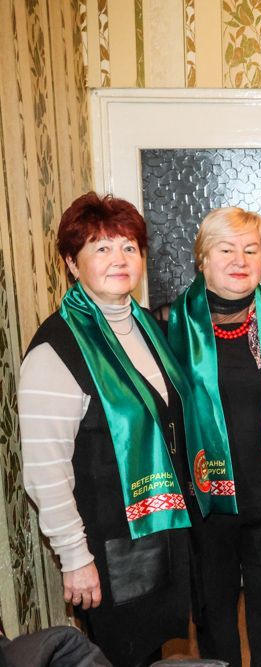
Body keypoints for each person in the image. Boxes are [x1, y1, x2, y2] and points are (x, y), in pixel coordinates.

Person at [18, 192, 199, 666]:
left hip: (159, 528)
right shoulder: (56, 349)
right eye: (101, 248)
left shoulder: (144, 327)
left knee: (152, 649)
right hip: (110, 545)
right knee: (121, 654)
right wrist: (75, 558)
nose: (119, 259)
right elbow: (45, 471)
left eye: (129, 247)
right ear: (71, 264)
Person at [166, 207, 261, 667]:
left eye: (251, 250)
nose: (240, 260)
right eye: (226, 249)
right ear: (202, 259)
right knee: (213, 613)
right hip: (204, 504)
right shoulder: (168, 327)